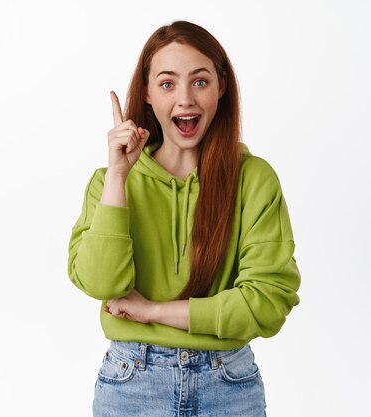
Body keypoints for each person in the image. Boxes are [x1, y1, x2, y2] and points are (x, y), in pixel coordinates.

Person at [67, 20, 301, 417]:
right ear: (147, 92)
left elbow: (266, 303)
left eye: (200, 81)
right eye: (167, 83)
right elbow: (101, 283)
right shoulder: (109, 184)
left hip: (228, 384)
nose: (185, 100)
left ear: (221, 87)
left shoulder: (254, 179)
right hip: (131, 384)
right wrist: (119, 176)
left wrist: (153, 311)